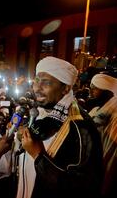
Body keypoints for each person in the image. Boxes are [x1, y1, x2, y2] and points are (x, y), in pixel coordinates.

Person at [15, 56, 103, 198]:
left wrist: (38, 156)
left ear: (65, 88)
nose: (38, 87)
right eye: (37, 80)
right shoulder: (37, 113)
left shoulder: (82, 128)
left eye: (46, 82)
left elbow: (84, 188)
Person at [88, 73, 117, 198]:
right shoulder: (95, 110)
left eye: (95, 88)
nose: (91, 91)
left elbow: (111, 151)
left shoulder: (115, 116)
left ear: (108, 91)